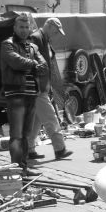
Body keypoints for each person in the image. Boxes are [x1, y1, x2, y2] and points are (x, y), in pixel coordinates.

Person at [0, 13, 48, 174]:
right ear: (15, 28)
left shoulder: (33, 47)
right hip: (16, 94)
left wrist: (37, 65)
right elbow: (15, 61)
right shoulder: (7, 44)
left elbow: (44, 64)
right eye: (21, 27)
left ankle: (23, 167)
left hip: (31, 94)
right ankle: (16, 168)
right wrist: (34, 64)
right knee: (17, 135)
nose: (24, 30)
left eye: (27, 27)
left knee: (26, 135)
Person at [26, 18, 72, 161]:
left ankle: (29, 149)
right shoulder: (36, 38)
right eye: (56, 31)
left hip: (41, 85)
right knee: (50, 117)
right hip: (38, 86)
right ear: (50, 26)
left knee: (37, 120)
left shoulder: (43, 39)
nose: (57, 35)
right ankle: (60, 148)